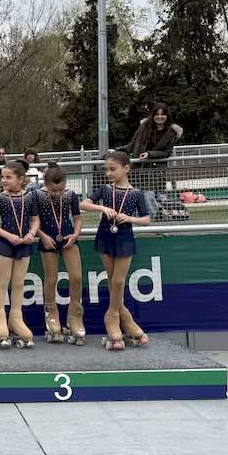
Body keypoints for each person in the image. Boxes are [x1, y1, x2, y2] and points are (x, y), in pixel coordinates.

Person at [81, 151, 151, 350]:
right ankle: (125, 318)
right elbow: (83, 204)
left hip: (124, 238)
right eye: (107, 170)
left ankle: (112, 316)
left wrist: (129, 218)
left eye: (113, 169)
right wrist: (102, 209)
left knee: (118, 281)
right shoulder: (105, 189)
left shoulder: (136, 194)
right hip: (105, 235)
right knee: (112, 279)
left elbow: (146, 219)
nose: (109, 173)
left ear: (126, 168)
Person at [0, 161, 39, 349]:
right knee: (2, 282)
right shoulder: (0, 198)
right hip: (5, 245)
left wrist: (32, 233)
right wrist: (8, 236)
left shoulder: (30, 197)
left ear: (21, 179)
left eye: (8, 177)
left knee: (19, 284)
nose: (4, 180)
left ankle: (16, 317)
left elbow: (35, 220)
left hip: (24, 245)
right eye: (2, 177)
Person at [34, 163, 86, 345]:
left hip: (68, 237)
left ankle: (75, 315)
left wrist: (76, 234)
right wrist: (42, 236)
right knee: (51, 278)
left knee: (76, 277)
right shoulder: (37, 196)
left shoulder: (70, 195)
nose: (57, 193)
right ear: (45, 184)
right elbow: (33, 221)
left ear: (65, 183)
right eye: (53, 190)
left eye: (60, 189)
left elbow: (78, 218)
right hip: (47, 238)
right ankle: (51, 314)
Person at [115, 103, 183, 221]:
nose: (160, 117)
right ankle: (135, 222)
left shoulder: (171, 132)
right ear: (153, 115)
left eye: (163, 114)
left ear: (167, 116)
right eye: (157, 114)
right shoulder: (144, 127)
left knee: (148, 196)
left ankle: (150, 222)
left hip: (155, 171)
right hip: (138, 169)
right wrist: (117, 151)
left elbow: (166, 152)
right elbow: (132, 144)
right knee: (134, 196)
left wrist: (149, 154)